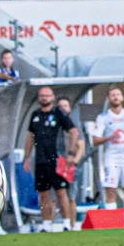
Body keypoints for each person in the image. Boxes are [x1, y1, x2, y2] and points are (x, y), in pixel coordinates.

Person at [20, 86, 82, 231]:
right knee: (43, 194)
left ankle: (66, 223)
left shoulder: (58, 113)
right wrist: (27, 157)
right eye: (42, 96)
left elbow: (74, 131)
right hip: (40, 160)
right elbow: (30, 137)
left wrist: (71, 153)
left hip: (57, 159)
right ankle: (47, 225)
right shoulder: (35, 114)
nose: (44, 98)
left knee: (61, 192)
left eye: (47, 96)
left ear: (53, 97)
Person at [91, 86, 124, 208]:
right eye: (113, 95)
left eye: (118, 95)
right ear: (108, 99)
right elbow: (95, 140)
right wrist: (109, 138)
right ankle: (111, 216)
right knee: (111, 189)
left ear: (122, 97)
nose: (115, 97)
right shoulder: (103, 118)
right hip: (112, 157)